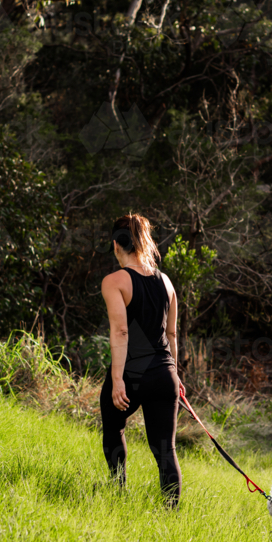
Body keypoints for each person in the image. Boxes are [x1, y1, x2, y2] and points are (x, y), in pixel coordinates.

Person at [100, 214, 185, 507]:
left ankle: (117, 492)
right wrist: (175, 374)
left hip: (133, 372)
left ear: (116, 245)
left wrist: (117, 379)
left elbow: (121, 331)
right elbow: (172, 334)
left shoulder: (114, 281)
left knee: (114, 428)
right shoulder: (166, 282)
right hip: (164, 373)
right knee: (165, 449)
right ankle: (171, 513)